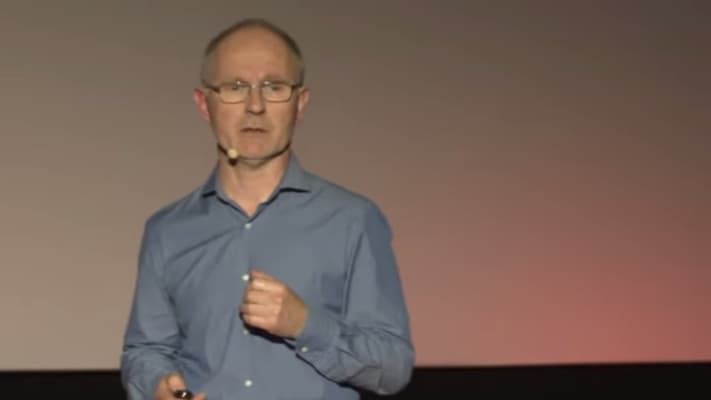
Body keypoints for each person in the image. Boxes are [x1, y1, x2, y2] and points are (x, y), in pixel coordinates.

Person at [119, 18, 414, 400]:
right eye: (235, 87)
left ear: (300, 104)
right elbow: (145, 352)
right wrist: (158, 386)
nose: (255, 106)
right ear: (204, 104)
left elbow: (392, 368)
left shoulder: (352, 220)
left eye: (274, 87)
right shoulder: (168, 230)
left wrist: (305, 325)